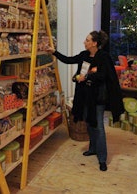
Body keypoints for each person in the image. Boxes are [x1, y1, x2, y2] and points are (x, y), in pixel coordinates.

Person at [48, 30, 124, 172]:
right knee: (89, 122)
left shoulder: (104, 57)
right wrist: (54, 52)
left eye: (87, 40)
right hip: (85, 95)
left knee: (99, 127)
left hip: (98, 97)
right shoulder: (84, 55)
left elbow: (103, 75)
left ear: (95, 43)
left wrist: (87, 78)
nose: (84, 42)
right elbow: (69, 59)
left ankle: (102, 158)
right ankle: (93, 149)